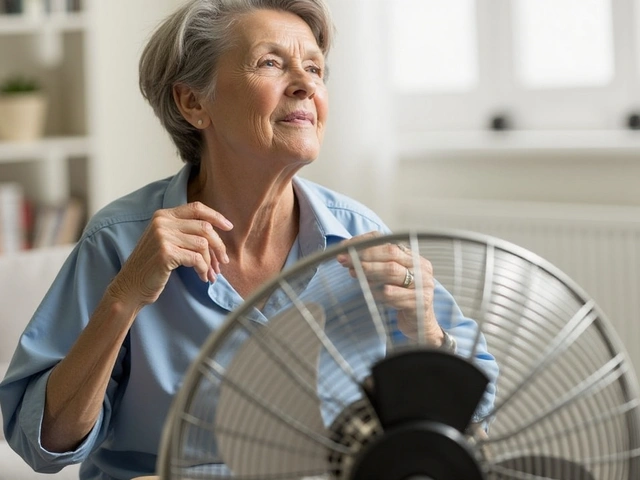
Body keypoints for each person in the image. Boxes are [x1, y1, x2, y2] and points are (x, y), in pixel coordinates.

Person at [0, 0, 498, 479]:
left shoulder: (358, 236)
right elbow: (42, 444)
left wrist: (428, 331)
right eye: (271, 63)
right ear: (193, 101)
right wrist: (123, 297)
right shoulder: (120, 240)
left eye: (316, 68)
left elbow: (478, 409)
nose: (305, 84)